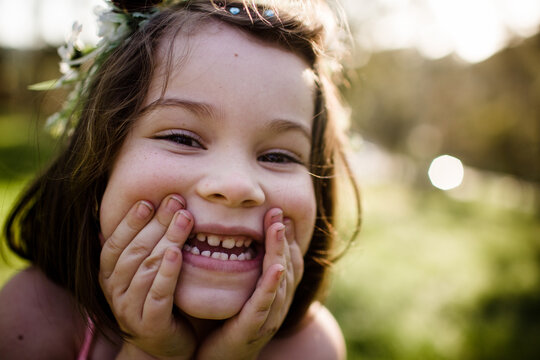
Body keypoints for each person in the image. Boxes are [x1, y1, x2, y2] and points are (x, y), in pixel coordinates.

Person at [0, 0, 360, 358]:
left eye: (278, 156)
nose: (235, 186)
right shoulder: (28, 322)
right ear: (100, 162)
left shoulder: (313, 348)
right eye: (182, 139)